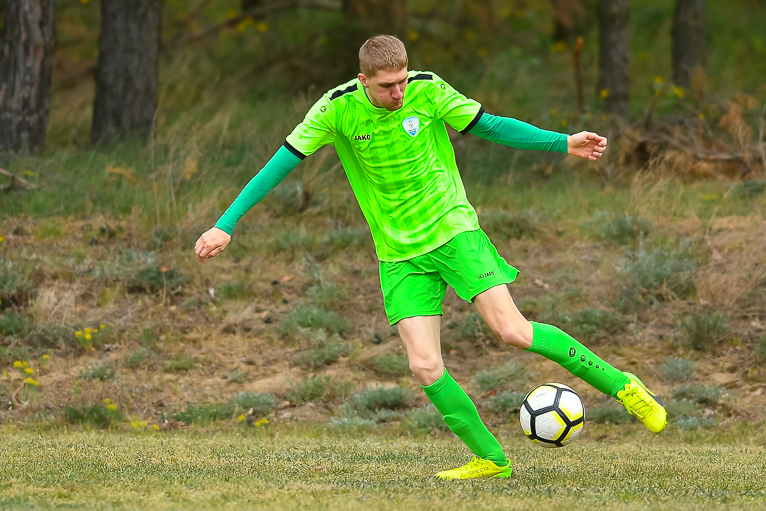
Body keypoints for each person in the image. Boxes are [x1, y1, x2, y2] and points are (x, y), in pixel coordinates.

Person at [194, 34, 667, 480]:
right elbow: (278, 164)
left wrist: (561, 142)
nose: (398, 92)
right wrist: (226, 223)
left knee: (513, 331)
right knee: (424, 366)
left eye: (402, 81)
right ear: (363, 80)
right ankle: (491, 460)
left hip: (453, 230)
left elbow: (491, 126)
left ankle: (624, 387)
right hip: (399, 254)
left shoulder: (428, 89)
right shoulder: (335, 109)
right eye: (387, 86)